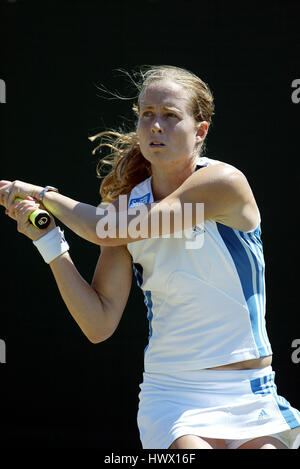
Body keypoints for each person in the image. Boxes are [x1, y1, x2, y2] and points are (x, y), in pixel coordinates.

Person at [1, 65, 300, 450]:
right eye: (147, 114)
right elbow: (99, 322)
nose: (155, 125)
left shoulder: (223, 184)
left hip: (252, 393)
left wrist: (43, 195)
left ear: (201, 131)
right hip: (174, 395)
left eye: (170, 116)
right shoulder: (123, 210)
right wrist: (49, 242)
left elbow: (101, 229)